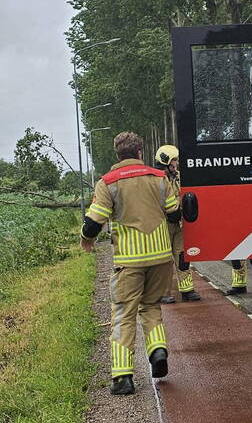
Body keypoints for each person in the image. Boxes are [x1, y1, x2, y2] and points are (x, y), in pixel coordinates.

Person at [80, 131, 180, 395]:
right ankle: (158, 351)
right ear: (139, 153)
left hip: (129, 260)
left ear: (118, 155)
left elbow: (94, 221)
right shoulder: (160, 178)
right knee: (151, 307)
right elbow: (174, 212)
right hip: (160, 257)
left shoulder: (108, 182)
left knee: (124, 315)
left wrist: (85, 239)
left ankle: (122, 378)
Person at [154, 144, 201, 304]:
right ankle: (163, 293)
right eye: (174, 161)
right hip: (162, 225)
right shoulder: (156, 180)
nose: (177, 163)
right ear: (166, 161)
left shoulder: (180, 177)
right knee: (164, 260)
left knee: (183, 256)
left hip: (179, 224)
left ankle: (187, 290)